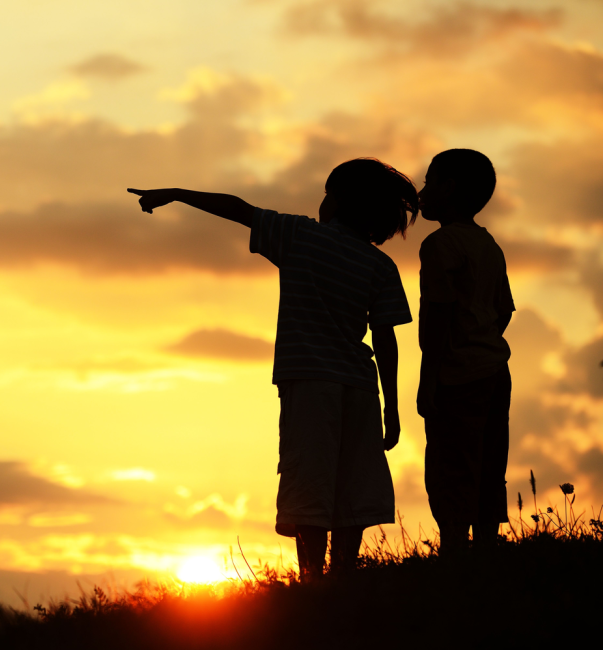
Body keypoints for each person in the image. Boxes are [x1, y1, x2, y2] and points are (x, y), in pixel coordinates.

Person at [128, 158, 418, 578]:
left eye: (326, 193)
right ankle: (343, 578)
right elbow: (386, 340)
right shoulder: (380, 266)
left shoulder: (300, 236)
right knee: (354, 486)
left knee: (310, 482)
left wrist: (176, 194)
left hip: (310, 383)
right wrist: (392, 407)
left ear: (338, 201)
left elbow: (237, 208)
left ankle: (313, 582)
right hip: (359, 386)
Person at [416, 149, 513, 556]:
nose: (422, 192)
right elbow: (504, 308)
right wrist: (482, 339)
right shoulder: (488, 244)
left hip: (457, 376)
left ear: (448, 188)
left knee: (451, 465)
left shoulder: (440, 244)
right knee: (490, 463)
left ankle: (454, 551)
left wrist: (428, 380)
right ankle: (488, 548)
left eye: (429, 182)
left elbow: (436, 318)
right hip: (495, 369)